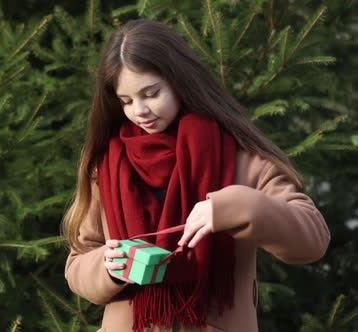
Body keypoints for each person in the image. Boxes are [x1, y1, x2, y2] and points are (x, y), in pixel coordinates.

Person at [61, 19, 330, 332]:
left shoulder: (241, 158)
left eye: (151, 93)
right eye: (127, 101)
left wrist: (234, 207)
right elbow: (77, 264)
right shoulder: (106, 165)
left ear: (179, 81)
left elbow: (312, 241)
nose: (140, 111)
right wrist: (108, 268)